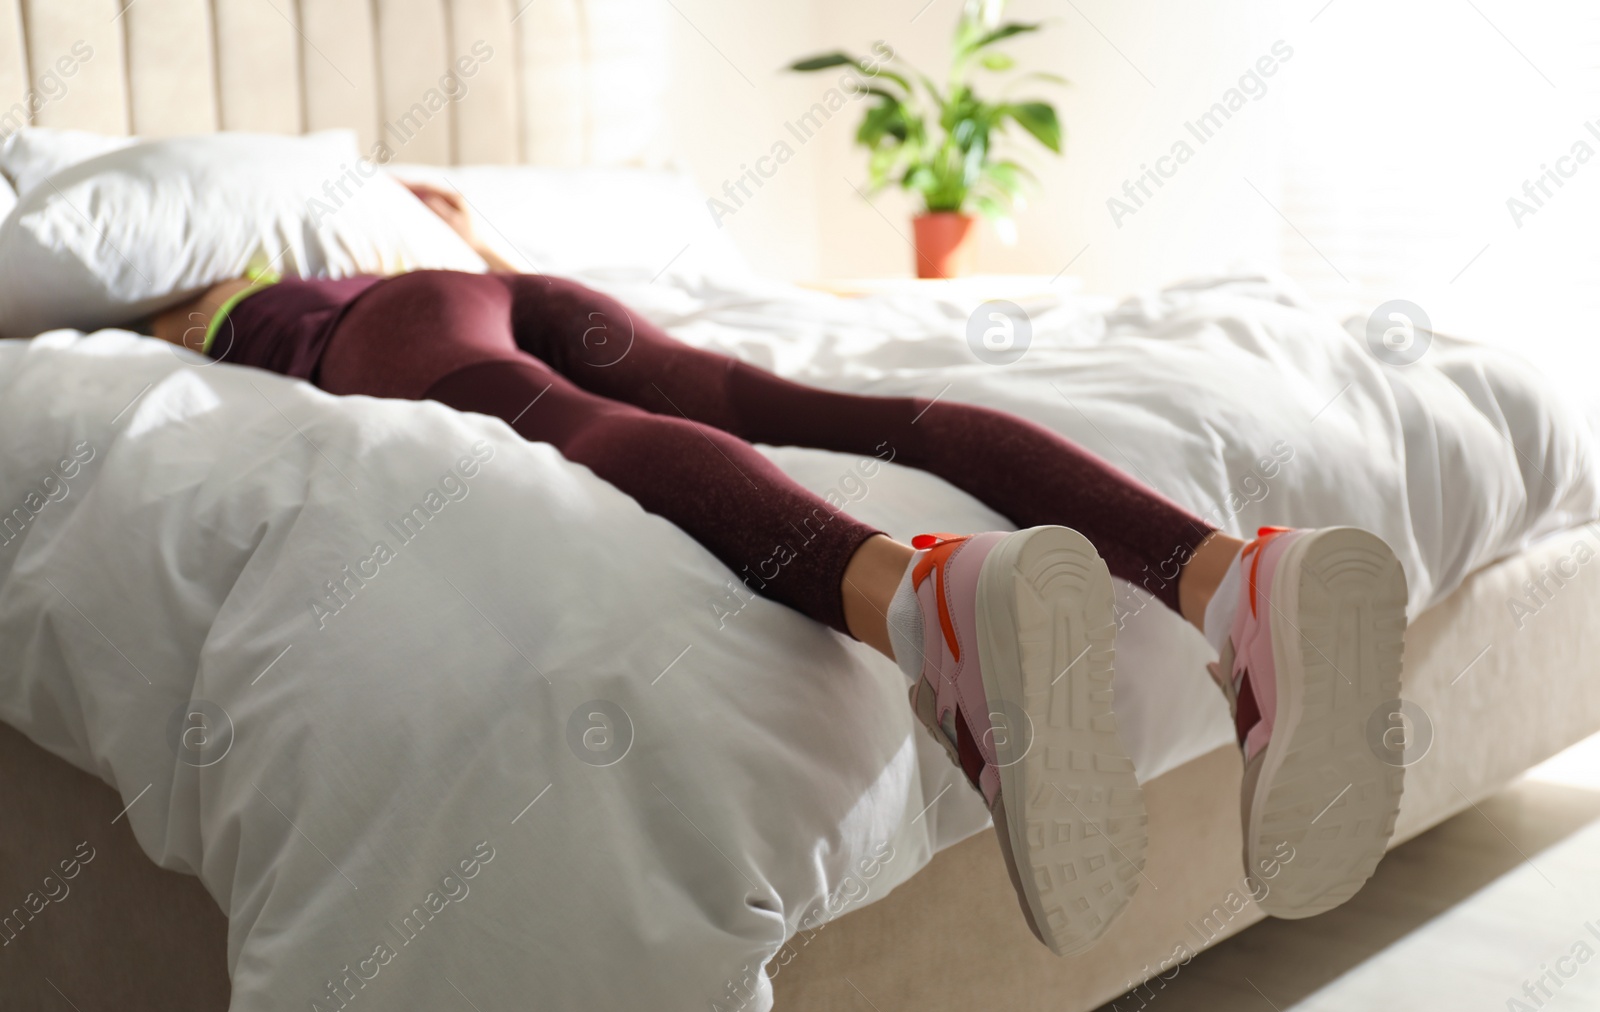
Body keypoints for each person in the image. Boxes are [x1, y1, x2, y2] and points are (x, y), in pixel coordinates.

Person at [140, 185, 1409, 957]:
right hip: (530, 285)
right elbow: (475, 250)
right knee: (848, 409)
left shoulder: (236, 293)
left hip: (406, 322)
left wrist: (186, 317)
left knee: (573, 429)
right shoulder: (443, 228)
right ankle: (1235, 579)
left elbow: (184, 336)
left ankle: (926, 601)